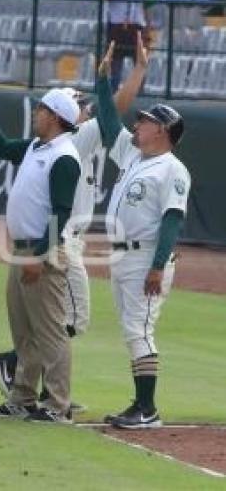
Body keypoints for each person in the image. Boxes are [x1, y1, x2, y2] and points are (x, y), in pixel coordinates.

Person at [0, 35, 150, 409]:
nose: (87, 110)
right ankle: (31, 378)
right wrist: (133, 72)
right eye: (79, 105)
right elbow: (116, 108)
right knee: (69, 319)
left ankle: (29, 380)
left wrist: (131, 72)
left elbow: (111, 110)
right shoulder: (74, 138)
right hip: (61, 239)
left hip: (55, 237)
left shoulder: (65, 139)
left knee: (55, 319)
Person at [92, 42, 190, 429]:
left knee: (139, 329)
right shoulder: (134, 155)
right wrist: (102, 80)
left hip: (147, 255)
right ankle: (141, 406)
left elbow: (171, 220)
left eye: (146, 121)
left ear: (162, 131)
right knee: (131, 329)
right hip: (122, 256)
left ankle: (146, 409)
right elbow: (106, 121)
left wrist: (157, 265)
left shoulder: (172, 169)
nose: (138, 124)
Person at [0, 80, 82, 424]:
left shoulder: (64, 155)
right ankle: (22, 396)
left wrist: (38, 254)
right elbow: (2, 147)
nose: (36, 113)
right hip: (23, 248)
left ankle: (57, 404)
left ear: (55, 116)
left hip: (42, 250)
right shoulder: (39, 146)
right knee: (23, 330)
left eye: (41, 109)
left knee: (49, 331)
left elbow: (61, 211)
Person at [85, 0, 157, 91]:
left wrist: (149, 31)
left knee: (140, 67)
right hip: (117, 29)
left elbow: (147, 9)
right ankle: (112, 98)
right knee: (115, 69)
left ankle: (138, 97)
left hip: (136, 30)